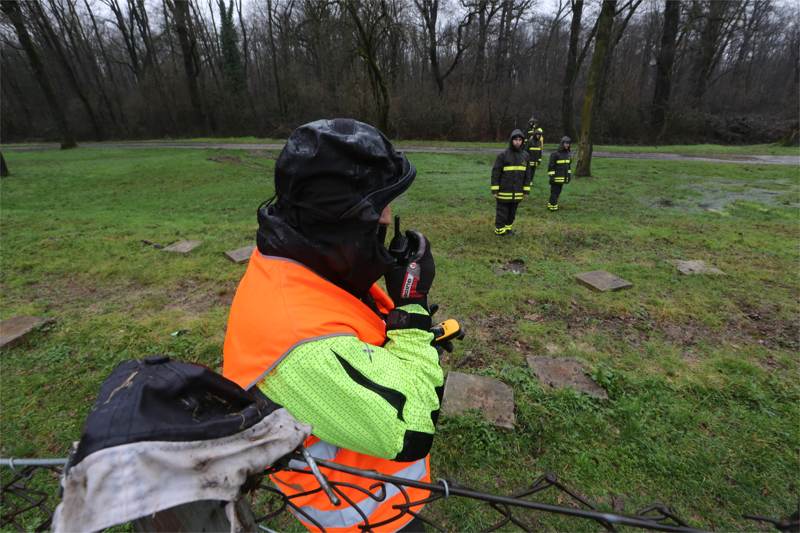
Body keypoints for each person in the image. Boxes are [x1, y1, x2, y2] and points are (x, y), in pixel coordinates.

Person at [222, 118, 443, 533]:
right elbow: (414, 424)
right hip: (361, 514)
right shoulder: (303, 347)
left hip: (369, 490)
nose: (389, 217)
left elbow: (350, 327)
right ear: (347, 223)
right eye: (382, 209)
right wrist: (412, 307)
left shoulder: (299, 259)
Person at [491, 129, 531, 236]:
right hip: (504, 191)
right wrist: (495, 190)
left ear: (522, 141)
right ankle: (499, 230)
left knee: (512, 213)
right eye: (515, 140)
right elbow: (496, 173)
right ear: (511, 140)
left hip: (517, 192)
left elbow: (528, 174)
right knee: (502, 212)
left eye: (520, 140)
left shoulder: (525, 156)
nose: (518, 142)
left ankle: (508, 229)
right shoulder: (503, 155)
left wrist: (526, 190)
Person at [546, 136, 572, 211]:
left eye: (568, 143)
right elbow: (551, 167)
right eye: (566, 143)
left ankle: (551, 205)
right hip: (556, 178)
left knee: (557, 193)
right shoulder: (555, 154)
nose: (567, 145)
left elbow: (568, 167)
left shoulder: (568, 154)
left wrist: (568, 176)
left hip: (562, 178)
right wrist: (552, 177)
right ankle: (553, 207)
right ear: (562, 143)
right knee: (554, 192)